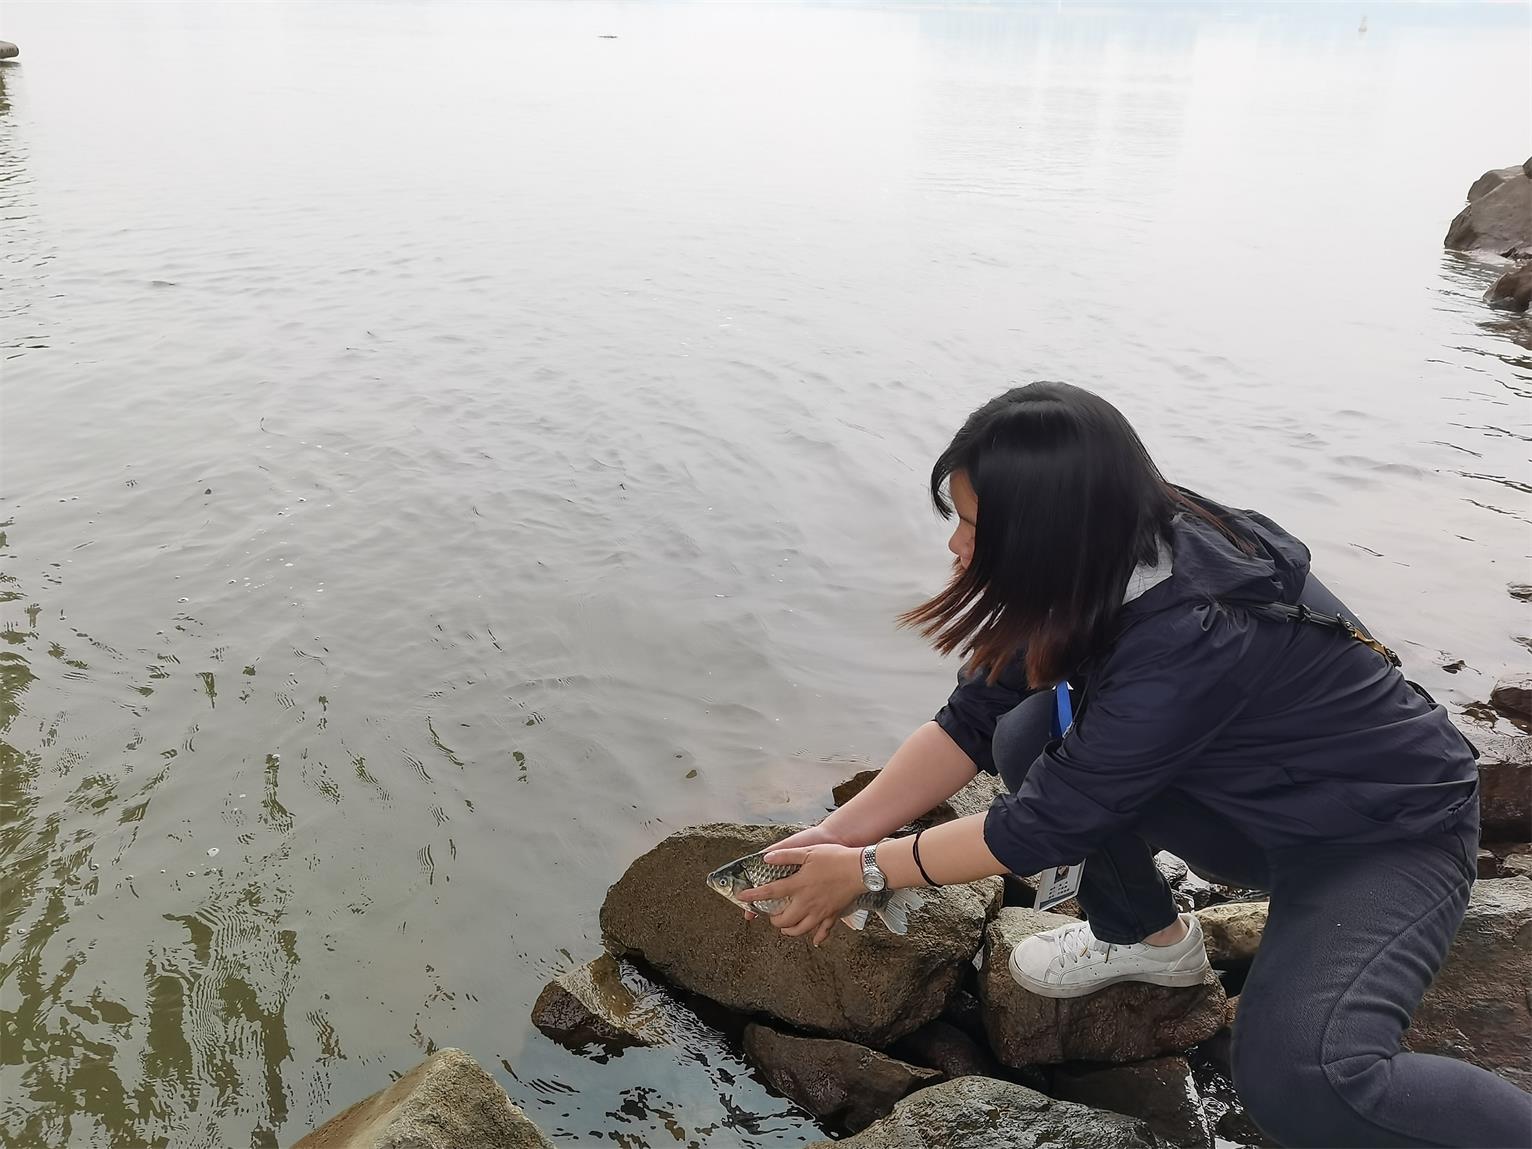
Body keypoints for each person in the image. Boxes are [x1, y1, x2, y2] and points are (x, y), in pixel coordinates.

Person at [739, 383, 1532, 1148]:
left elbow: (1043, 825)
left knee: (1306, 1080)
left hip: (1383, 836)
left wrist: (870, 871)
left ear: (1047, 527)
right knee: (1023, 731)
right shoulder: (1099, 544)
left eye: (974, 524)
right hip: (1254, 802)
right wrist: (833, 835)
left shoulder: (1189, 632)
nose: (956, 545)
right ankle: (1153, 944)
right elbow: (969, 722)